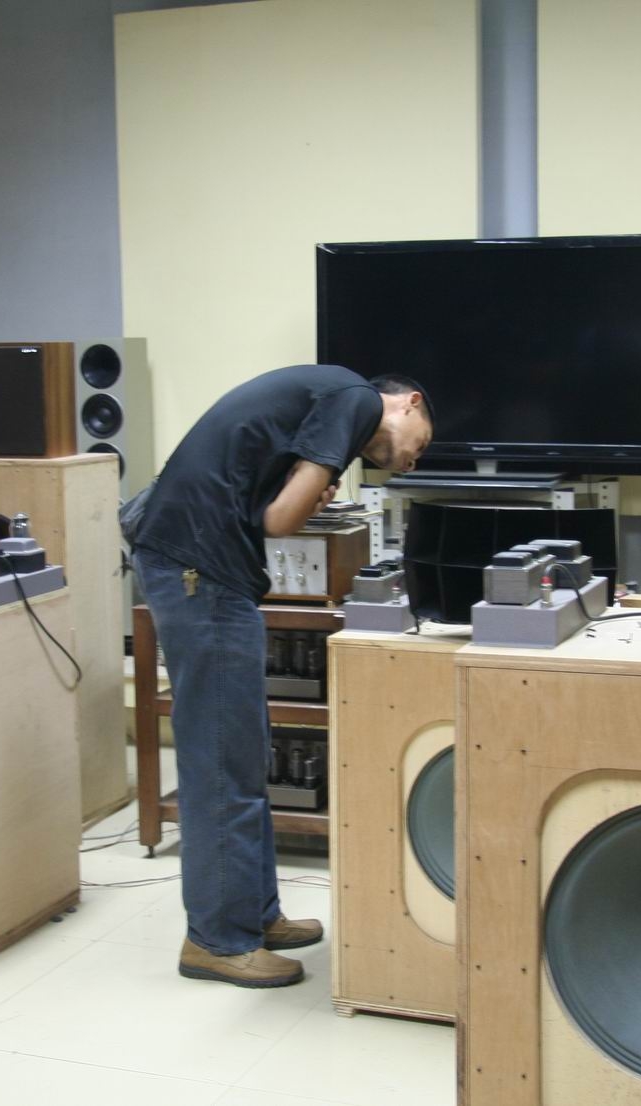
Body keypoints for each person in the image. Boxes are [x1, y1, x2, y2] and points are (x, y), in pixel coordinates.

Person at [129, 365, 433, 987]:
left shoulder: (326, 400)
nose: (411, 462)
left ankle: (255, 915)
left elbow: (268, 505)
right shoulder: (356, 400)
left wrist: (304, 488)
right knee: (222, 758)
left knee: (243, 753)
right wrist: (307, 494)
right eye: (420, 445)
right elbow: (279, 522)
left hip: (198, 563)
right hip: (198, 568)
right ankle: (217, 940)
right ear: (409, 403)